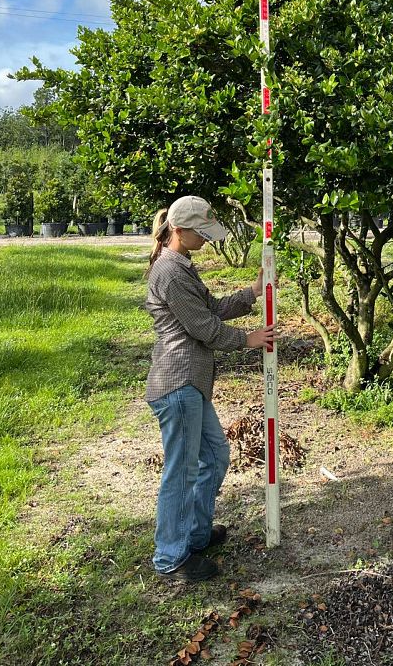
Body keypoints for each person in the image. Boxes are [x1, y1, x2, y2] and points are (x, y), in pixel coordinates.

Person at [144, 195, 276, 583]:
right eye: (201, 233)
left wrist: (251, 293)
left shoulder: (181, 267)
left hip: (191, 385)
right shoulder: (169, 272)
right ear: (179, 231)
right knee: (180, 473)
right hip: (178, 383)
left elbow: (212, 309)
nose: (206, 239)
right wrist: (247, 340)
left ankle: (195, 535)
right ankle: (170, 558)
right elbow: (204, 328)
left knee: (215, 456)